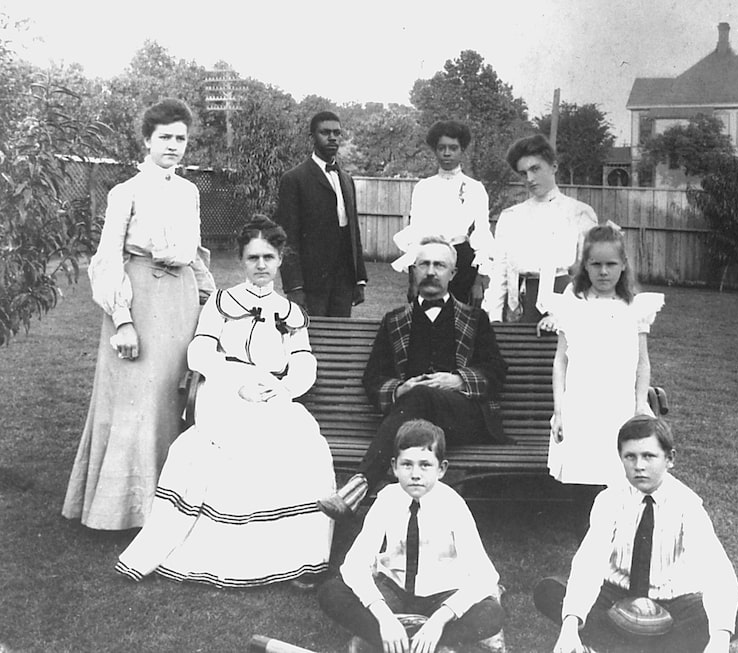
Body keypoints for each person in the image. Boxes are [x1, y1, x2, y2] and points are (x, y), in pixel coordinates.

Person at [115, 216, 335, 588]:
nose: (261, 265)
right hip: (223, 387)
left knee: (303, 441)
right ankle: (222, 553)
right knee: (232, 442)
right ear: (241, 261)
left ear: (281, 259)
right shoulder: (222, 301)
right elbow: (200, 351)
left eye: (268, 257)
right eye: (253, 258)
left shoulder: (292, 313)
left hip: (272, 393)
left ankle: (290, 555)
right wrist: (239, 382)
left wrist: (284, 390)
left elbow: (303, 360)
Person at [62, 98, 216, 530]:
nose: (173, 145)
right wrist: (124, 321)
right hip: (139, 301)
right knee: (137, 404)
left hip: (181, 302)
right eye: (164, 137)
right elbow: (107, 259)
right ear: (147, 140)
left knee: (175, 399)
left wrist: (216, 301)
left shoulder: (189, 191)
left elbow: (196, 255)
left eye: (180, 138)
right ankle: (124, 511)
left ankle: (169, 510)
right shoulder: (125, 192)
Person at [317, 236, 508, 520]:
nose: (431, 271)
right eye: (424, 264)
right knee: (417, 396)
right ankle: (363, 488)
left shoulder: (475, 318)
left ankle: (359, 486)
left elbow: (496, 372)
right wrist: (400, 388)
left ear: (453, 274)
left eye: (440, 265)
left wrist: (459, 381)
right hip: (409, 421)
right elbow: (373, 377)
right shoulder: (395, 320)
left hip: (462, 418)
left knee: (421, 395)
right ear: (414, 270)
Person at [533, 415, 738, 653]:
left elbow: (717, 572)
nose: (639, 466)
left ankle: (613, 647)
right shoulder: (609, 500)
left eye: (649, 456)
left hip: (671, 600)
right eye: (630, 457)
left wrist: (719, 640)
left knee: (735, 615)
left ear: (670, 459)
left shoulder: (687, 505)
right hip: (615, 594)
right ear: (620, 459)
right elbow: (589, 564)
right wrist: (570, 626)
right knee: (552, 591)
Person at [318, 419, 505, 653]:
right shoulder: (387, 499)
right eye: (407, 465)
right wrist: (384, 617)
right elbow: (354, 565)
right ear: (395, 467)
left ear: (442, 469)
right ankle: (417, 643)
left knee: (491, 614)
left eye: (425, 465)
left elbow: (485, 575)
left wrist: (440, 620)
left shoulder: (453, 505)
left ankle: (401, 642)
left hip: (441, 595)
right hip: (394, 592)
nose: (415, 474)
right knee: (331, 592)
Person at [540, 224, 664, 521]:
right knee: (583, 463)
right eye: (596, 264)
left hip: (619, 400)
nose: (604, 272)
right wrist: (560, 408)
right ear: (585, 265)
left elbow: (642, 362)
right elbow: (561, 360)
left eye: (611, 264)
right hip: (581, 399)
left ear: (623, 266)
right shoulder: (573, 304)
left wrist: (639, 405)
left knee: (618, 464)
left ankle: (620, 520)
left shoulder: (634, 307)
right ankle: (586, 522)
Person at [482, 134, 597, 323]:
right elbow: (500, 272)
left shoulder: (579, 213)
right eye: (523, 173)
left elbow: (587, 272)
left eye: (535, 169)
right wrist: (493, 318)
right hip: (519, 303)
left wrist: (566, 312)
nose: (530, 178)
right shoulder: (511, 216)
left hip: (564, 300)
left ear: (553, 166)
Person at [391, 120, 493, 305]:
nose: (447, 153)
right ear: (435, 150)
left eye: (453, 148)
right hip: (430, 257)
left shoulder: (475, 188)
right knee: (426, 313)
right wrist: (413, 280)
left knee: (457, 316)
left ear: (462, 150)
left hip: (462, 260)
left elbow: (482, 233)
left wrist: (478, 281)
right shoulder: (424, 187)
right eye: (441, 148)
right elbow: (417, 233)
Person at [277, 110, 368, 317]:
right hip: (311, 283)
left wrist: (359, 279)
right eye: (325, 132)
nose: (332, 137)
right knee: (312, 339)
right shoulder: (295, 179)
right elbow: (287, 237)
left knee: (338, 340)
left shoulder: (346, 180)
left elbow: (353, 232)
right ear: (312, 137)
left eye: (337, 133)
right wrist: (294, 287)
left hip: (344, 282)